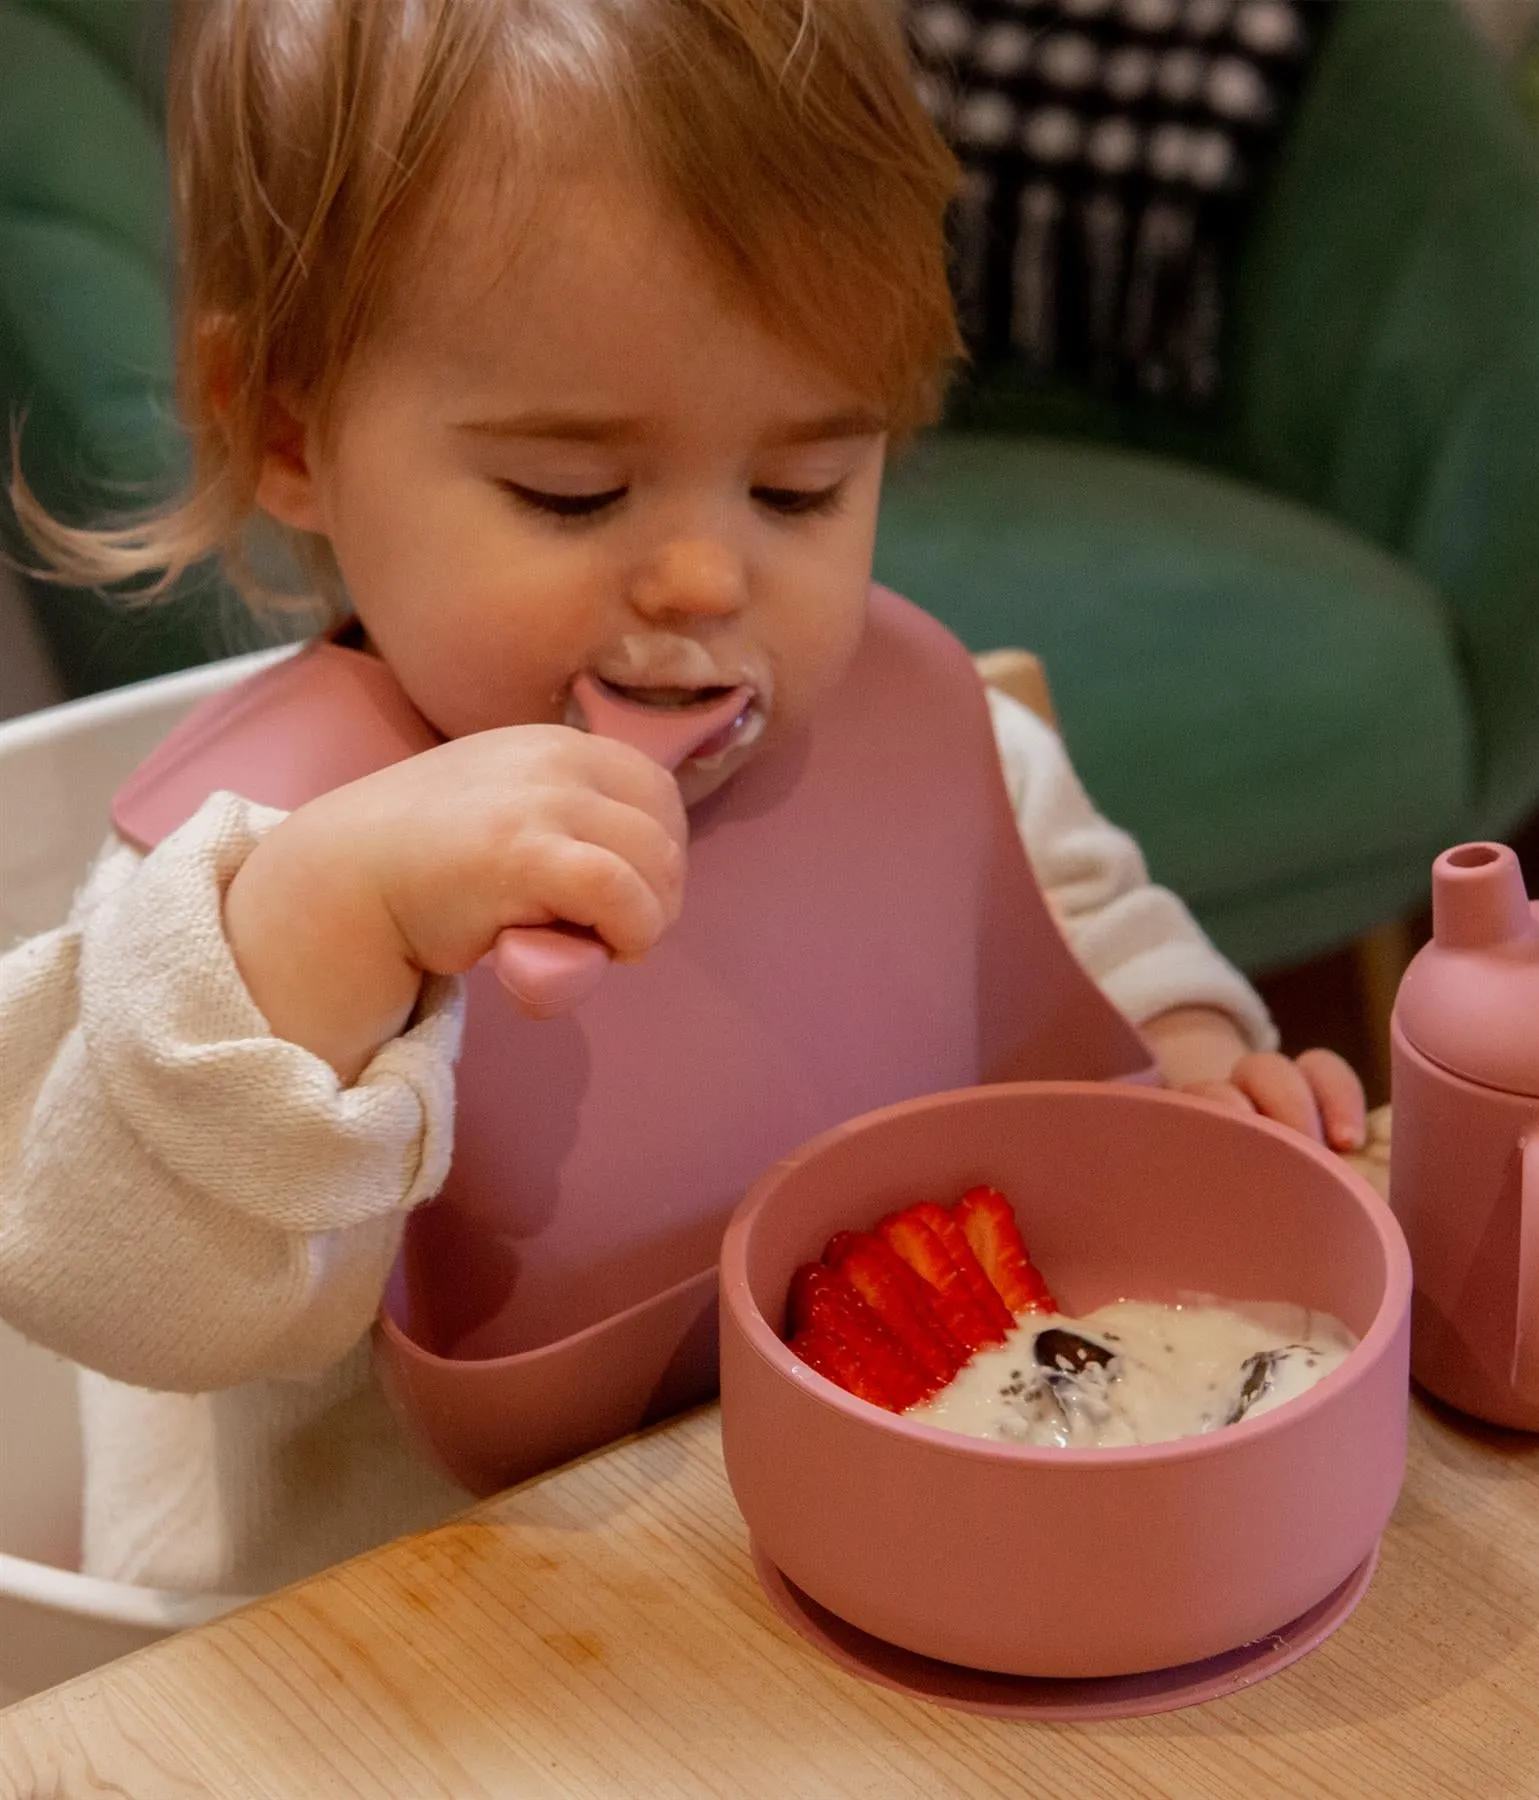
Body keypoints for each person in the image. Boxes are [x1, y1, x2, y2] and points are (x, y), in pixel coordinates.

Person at [0, 0, 1364, 1598]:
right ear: (287, 430)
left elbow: (1093, 949)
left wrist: (1199, 1070)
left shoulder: (927, 730)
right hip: (411, 1669)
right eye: (572, 491)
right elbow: (107, 1283)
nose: (709, 574)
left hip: (886, 1560)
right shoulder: (254, 877)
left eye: (801, 486)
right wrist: (327, 930)